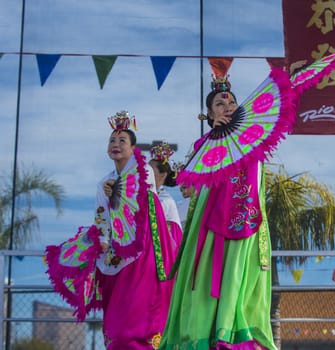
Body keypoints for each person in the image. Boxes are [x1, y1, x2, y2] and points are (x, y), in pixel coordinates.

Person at [159, 77, 277, 350]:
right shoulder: (203, 145)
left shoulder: (253, 139)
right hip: (210, 225)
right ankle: (207, 335)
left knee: (241, 280)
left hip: (247, 222)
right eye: (219, 103)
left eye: (232, 102)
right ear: (210, 114)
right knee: (205, 281)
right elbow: (190, 184)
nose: (227, 106)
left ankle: (236, 335)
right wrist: (215, 137)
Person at [45, 111, 178, 350]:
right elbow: (101, 216)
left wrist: (117, 189)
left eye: (122, 141)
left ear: (134, 148)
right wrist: (103, 240)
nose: (115, 144)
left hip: (143, 252)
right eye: (111, 141)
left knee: (144, 315)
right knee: (117, 322)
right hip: (117, 255)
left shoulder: (144, 171)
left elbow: (141, 199)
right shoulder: (102, 183)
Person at [148, 142, 183, 253]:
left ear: (162, 175)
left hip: (164, 252)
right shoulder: (148, 195)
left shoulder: (164, 200)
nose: (146, 172)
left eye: (150, 170)